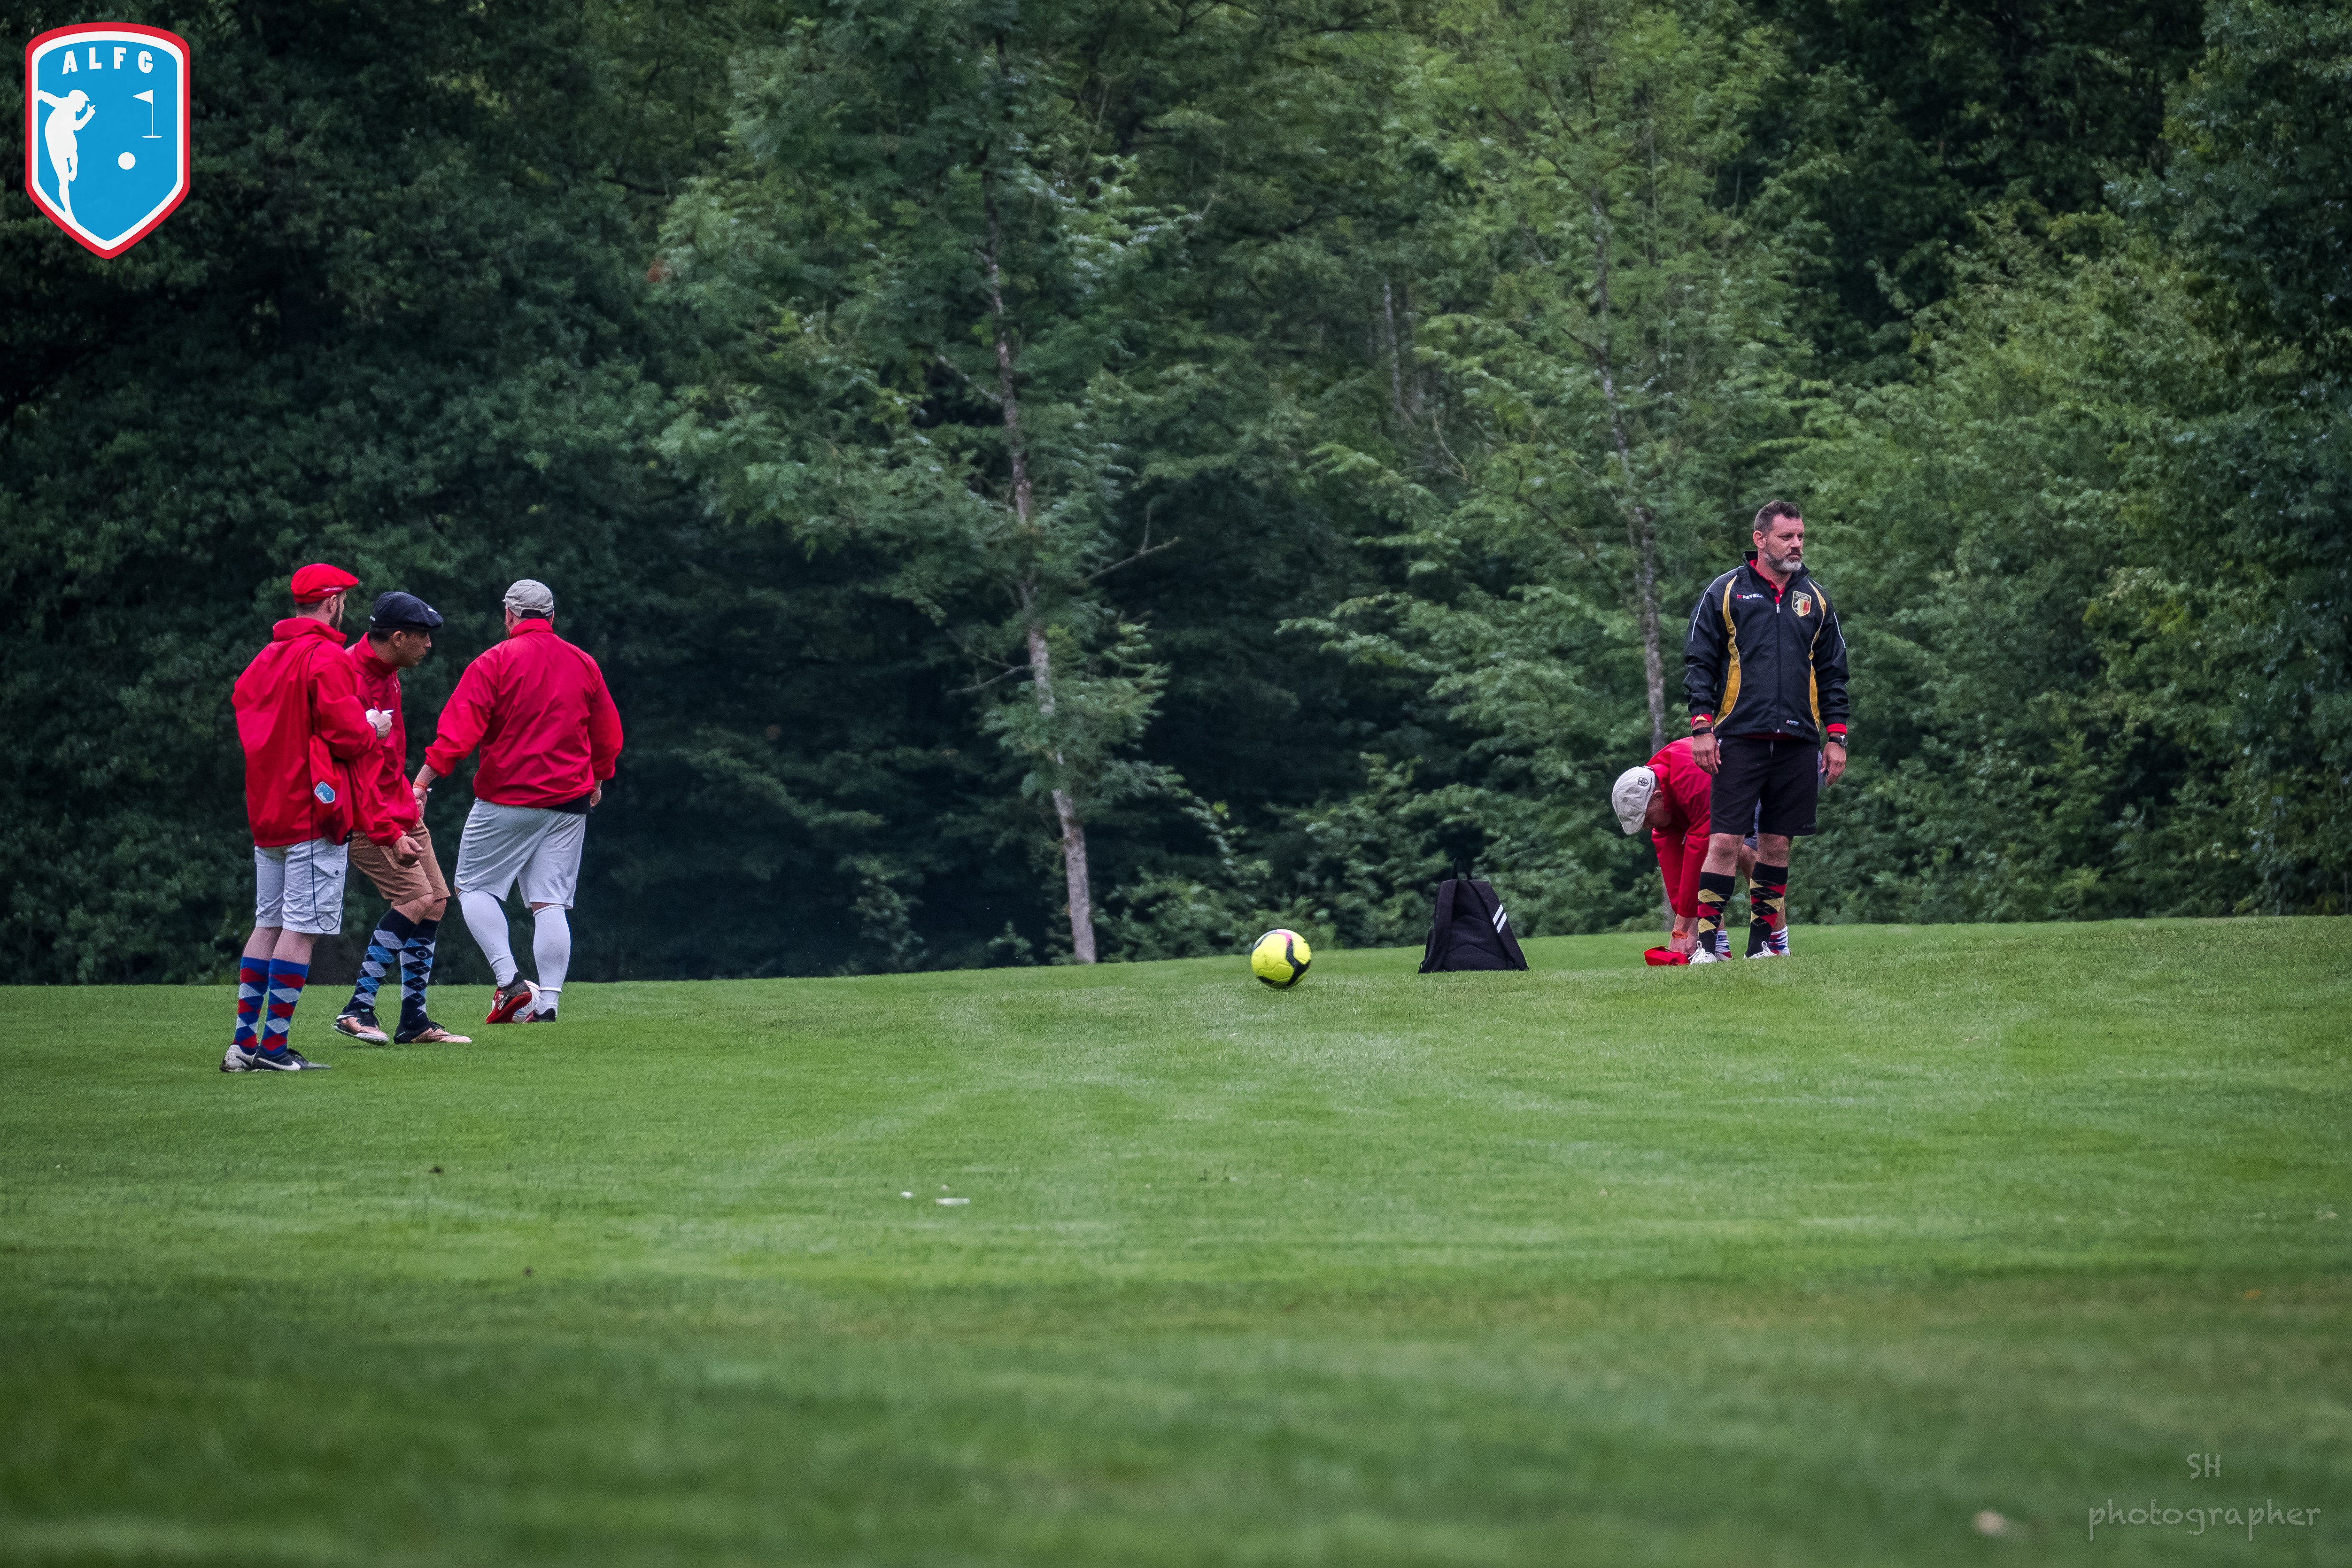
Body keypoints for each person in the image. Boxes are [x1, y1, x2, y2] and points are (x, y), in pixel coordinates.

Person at [225, 564, 418, 1072]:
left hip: (267, 810)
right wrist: (373, 728)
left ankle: (243, 1045)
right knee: (301, 929)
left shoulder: (266, 658)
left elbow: (251, 709)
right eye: (343, 601)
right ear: (332, 603)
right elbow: (348, 735)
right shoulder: (326, 656)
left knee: (267, 923)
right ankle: (273, 1048)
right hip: (314, 810)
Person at [413, 579, 623, 1025]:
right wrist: (599, 776)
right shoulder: (583, 662)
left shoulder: (495, 661)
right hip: (569, 800)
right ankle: (548, 1005)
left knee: (473, 887)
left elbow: (459, 731)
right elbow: (608, 732)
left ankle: (510, 983)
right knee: (551, 902)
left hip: (507, 797)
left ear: (509, 615)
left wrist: (424, 779)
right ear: (552, 617)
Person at [1682, 500, 1849, 961]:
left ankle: (1761, 948)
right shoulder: (1727, 591)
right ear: (1760, 540)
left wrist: (1836, 738)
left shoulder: (1815, 599)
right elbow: (1700, 663)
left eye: (1800, 536)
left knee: (1776, 845)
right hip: (1738, 737)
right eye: (1786, 536)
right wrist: (1701, 727)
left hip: (1799, 741)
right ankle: (1706, 947)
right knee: (1724, 842)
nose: (1796, 544)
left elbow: (1834, 673)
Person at [332, 591, 474, 1046]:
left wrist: (411, 797)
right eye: (422, 637)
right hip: (367, 818)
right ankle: (357, 1008)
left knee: (436, 900)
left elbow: (385, 757)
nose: (428, 645)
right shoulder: (348, 676)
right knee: (414, 898)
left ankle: (413, 1022)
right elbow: (357, 769)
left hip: (398, 809)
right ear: (397, 637)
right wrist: (390, 832)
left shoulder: (389, 673)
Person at [1610, 738, 1760, 959]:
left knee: (1747, 852)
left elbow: (1700, 849)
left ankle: (1775, 943)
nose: (1646, 827)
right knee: (1704, 872)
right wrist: (1683, 927)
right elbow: (1677, 874)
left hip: (1753, 778)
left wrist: (1681, 931)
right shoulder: (1659, 788)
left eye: (1646, 819)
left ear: (1658, 797)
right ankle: (1719, 951)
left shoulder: (1691, 781)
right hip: (1717, 795)